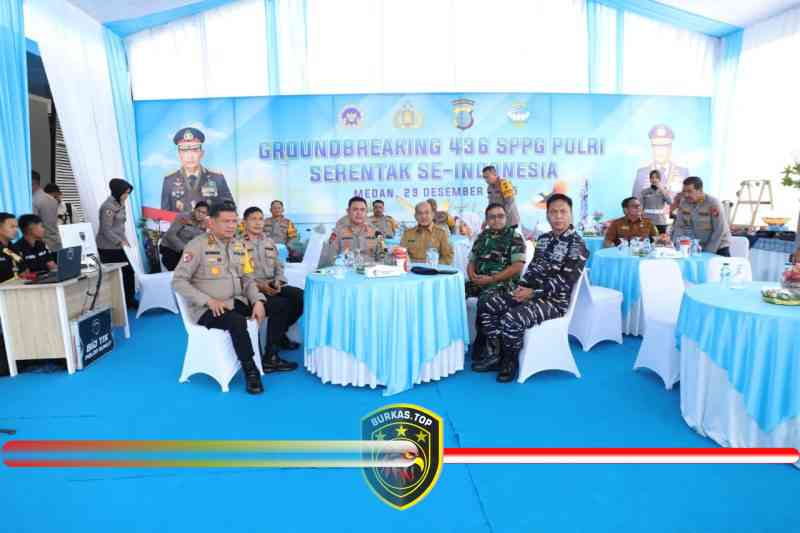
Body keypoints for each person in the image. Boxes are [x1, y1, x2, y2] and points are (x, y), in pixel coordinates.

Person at [474, 194, 588, 383]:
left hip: (554, 302)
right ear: (547, 215)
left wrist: (533, 293)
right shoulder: (543, 239)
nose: (558, 216)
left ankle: (509, 361)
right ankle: (497, 354)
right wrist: (521, 288)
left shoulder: (577, 244)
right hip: (530, 294)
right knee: (488, 304)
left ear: (571, 214)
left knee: (512, 318)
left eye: (563, 212)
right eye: (553, 212)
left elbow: (565, 281)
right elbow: (533, 269)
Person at [172, 201, 267, 394]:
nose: (231, 226)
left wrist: (258, 301)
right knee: (237, 321)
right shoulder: (197, 246)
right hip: (207, 308)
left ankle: (269, 356)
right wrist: (208, 301)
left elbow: (248, 279)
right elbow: (178, 281)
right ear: (212, 223)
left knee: (276, 304)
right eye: (225, 221)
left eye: (234, 221)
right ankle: (251, 370)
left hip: (234, 301)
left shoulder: (239, 245)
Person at [242, 207, 303, 371]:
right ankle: (270, 357)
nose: (258, 222)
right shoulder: (238, 245)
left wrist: (278, 281)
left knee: (300, 296)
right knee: (282, 304)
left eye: (260, 219)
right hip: (251, 290)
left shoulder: (268, 242)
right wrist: (261, 286)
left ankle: (280, 334)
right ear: (244, 222)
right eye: (253, 219)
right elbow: (241, 276)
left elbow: (279, 266)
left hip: (271, 284)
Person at [466, 204, 526, 362]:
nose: (497, 220)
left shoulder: (514, 237)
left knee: (486, 299)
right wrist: (471, 275)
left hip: (503, 282)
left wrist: (492, 279)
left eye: (500, 216)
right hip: (479, 280)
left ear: (506, 218)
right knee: (454, 291)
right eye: (492, 217)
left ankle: (488, 346)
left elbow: (517, 266)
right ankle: (455, 341)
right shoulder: (481, 237)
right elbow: (471, 261)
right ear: (487, 220)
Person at [161, 127, 234, 213]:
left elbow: (230, 211)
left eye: (194, 150)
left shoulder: (217, 179)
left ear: (202, 153)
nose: (190, 156)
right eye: (185, 151)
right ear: (179, 155)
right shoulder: (169, 181)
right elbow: (164, 216)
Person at [96, 179, 138, 309]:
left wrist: (126, 242)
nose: (127, 196)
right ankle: (122, 302)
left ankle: (129, 299)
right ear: (118, 191)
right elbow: (106, 230)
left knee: (129, 271)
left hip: (119, 245)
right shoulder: (108, 207)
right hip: (108, 247)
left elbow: (120, 227)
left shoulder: (120, 204)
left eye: (128, 193)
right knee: (118, 275)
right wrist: (120, 241)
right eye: (125, 193)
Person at [672, 177, 732, 256]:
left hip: (718, 247)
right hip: (696, 247)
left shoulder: (713, 203)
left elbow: (719, 230)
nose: (686, 195)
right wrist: (676, 246)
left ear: (700, 190)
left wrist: (708, 253)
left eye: (689, 191)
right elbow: (679, 226)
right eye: (684, 191)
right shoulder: (684, 203)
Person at [632, 124, 689, 198]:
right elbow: (634, 201)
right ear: (652, 148)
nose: (660, 151)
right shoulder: (642, 173)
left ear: (670, 148)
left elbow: (690, 200)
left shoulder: (683, 173)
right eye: (656, 146)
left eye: (664, 146)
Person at [322, 197, 378, 266]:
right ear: (348, 211)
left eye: (362, 210)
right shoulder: (338, 232)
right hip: (347, 270)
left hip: (370, 270)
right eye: (355, 209)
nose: (359, 213)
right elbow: (329, 257)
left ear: (366, 212)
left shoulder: (375, 232)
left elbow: (383, 256)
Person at [160, 201, 209, 271]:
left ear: (206, 214)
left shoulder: (205, 224)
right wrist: (185, 248)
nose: (200, 214)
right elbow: (170, 235)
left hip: (185, 251)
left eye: (203, 213)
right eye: (198, 211)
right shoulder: (183, 217)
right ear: (194, 210)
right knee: (177, 269)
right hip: (170, 248)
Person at [31, 171, 62, 251]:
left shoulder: (34, 200)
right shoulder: (52, 199)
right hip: (55, 242)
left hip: (42, 245)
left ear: (32, 182)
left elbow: (33, 226)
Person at [638, 169, 673, 234]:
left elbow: (670, 202)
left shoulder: (664, 191)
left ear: (659, 179)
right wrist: (642, 218)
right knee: (648, 239)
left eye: (656, 177)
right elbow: (640, 206)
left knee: (661, 239)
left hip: (661, 221)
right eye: (652, 178)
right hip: (647, 221)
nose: (654, 179)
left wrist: (662, 189)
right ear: (650, 179)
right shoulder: (644, 191)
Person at [0, 213, 25, 283]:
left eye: (17, 227)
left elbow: (23, 272)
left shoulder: (14, 249)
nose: (16, 230)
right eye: (12, 227)